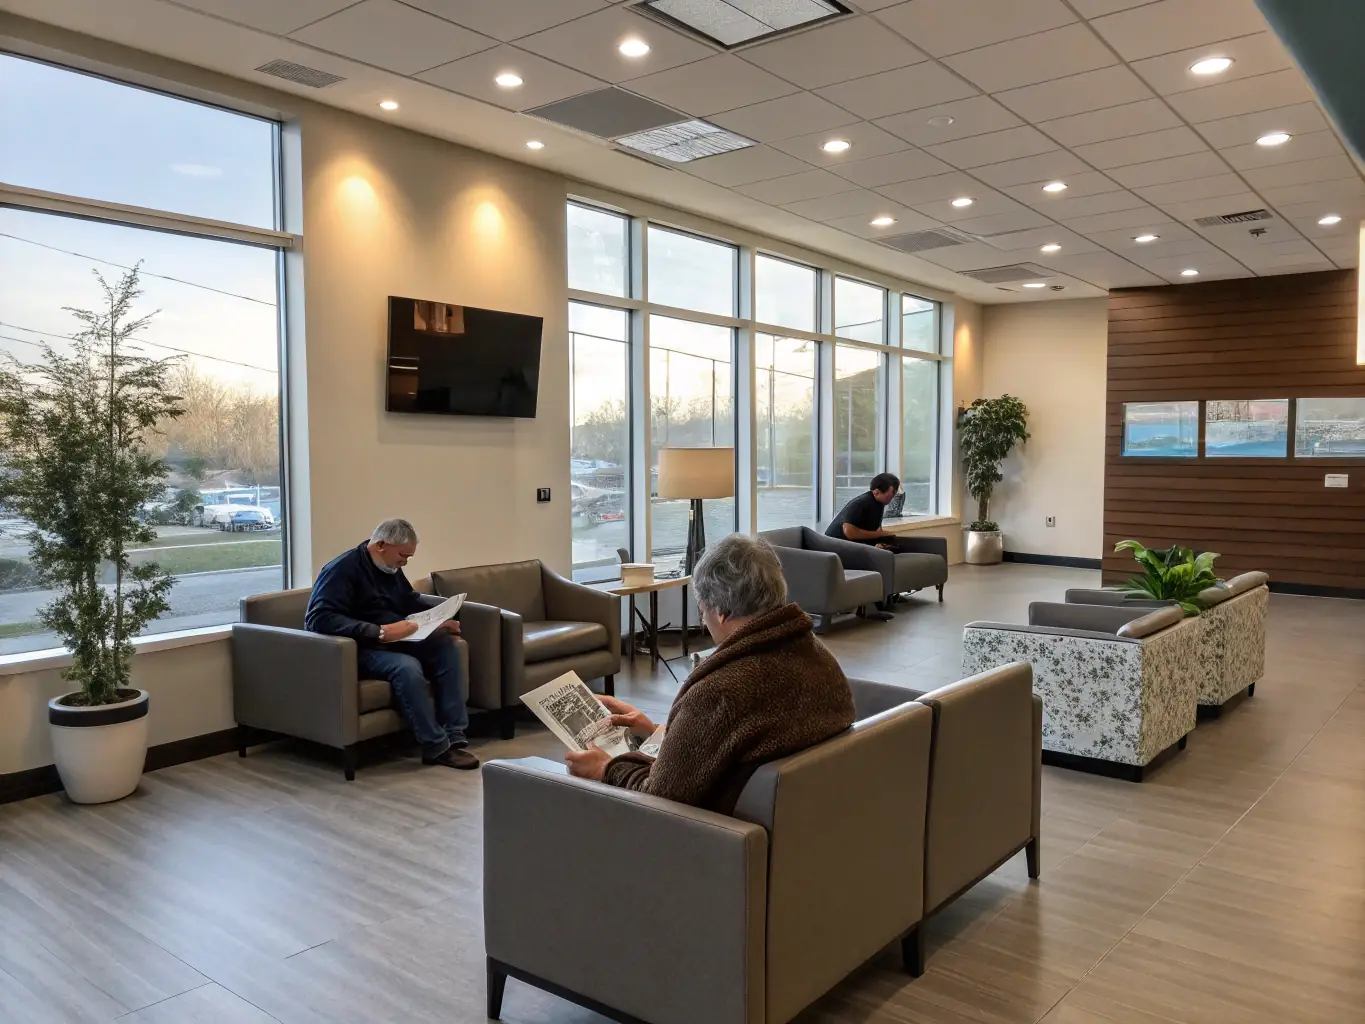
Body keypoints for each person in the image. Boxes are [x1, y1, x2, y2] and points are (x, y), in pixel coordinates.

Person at [564, 534, 854, 814]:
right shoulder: (818, 658)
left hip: (714, 840)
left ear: (722, 612)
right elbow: (738, 741)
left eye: (702, 610)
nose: (704, 620)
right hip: (806, 823)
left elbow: (661, 801)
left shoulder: (720, 692)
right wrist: (656, 733)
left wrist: (606, 769)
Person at [305, 518, 478, 771]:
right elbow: (318, 619)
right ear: (381, 545)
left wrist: (437, 620)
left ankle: (454, 734)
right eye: (402, 556)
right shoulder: (341, 570)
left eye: (408, 557)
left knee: (448, 647)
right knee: (406, 668)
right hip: (358, 646)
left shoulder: (389, 567)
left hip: (396, 637)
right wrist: (379, 631)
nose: (405, 563)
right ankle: (435, 746)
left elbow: (407, 600)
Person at [826, 472, 915, 552]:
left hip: (853, 544)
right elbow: (849, 532)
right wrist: (880, 534)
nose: (892, 497)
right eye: (891, 493)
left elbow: (876, 529)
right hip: (836, 546)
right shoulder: (861, 503)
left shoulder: (880, 503)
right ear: (876, 492)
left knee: (894, 544)